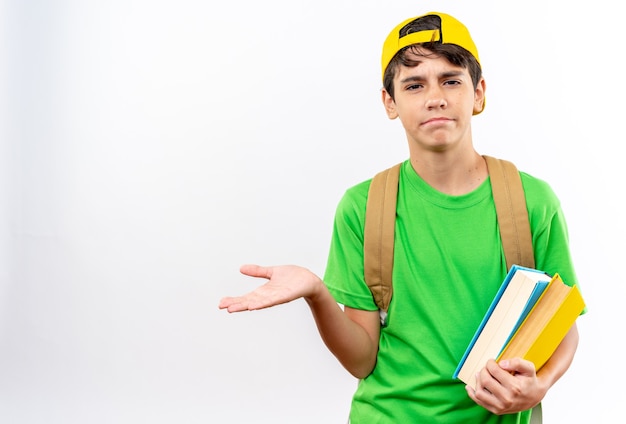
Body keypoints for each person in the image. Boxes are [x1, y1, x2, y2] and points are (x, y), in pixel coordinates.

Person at [219, 11, 583, 423]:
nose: (435, 97)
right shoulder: (364, 207)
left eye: (451, 80)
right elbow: (361, 360)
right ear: (389, 102)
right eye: (414, 85)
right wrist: (317, 294)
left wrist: (541, 384)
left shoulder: (531, 201)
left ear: (478, 93)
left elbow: (562, 323)